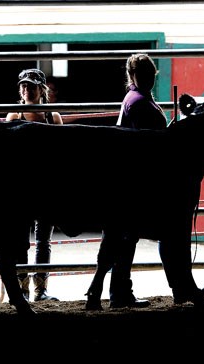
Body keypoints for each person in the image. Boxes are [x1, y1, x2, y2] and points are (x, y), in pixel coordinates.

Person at [85, 54, 168, 310]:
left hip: (123, 178)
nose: (148, 81)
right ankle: (114, 292)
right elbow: (150, 143)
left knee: (118, 239)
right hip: (134, 180)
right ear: (133, 76)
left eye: (150, 76)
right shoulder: (140, 102)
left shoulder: (135, 99)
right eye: (144, 76)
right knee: (123, 238)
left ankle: (111, 292)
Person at [6, 68, 62, 302]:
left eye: (31, 86)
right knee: (21, 241)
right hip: (21, 186)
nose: (26, 90)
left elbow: (62, 154)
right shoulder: (14, 116)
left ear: (41, 89)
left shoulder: (53, 117)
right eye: (23, 86)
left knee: (43, 241)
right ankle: (22, 290)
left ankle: (40, 290)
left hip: (46, 186)